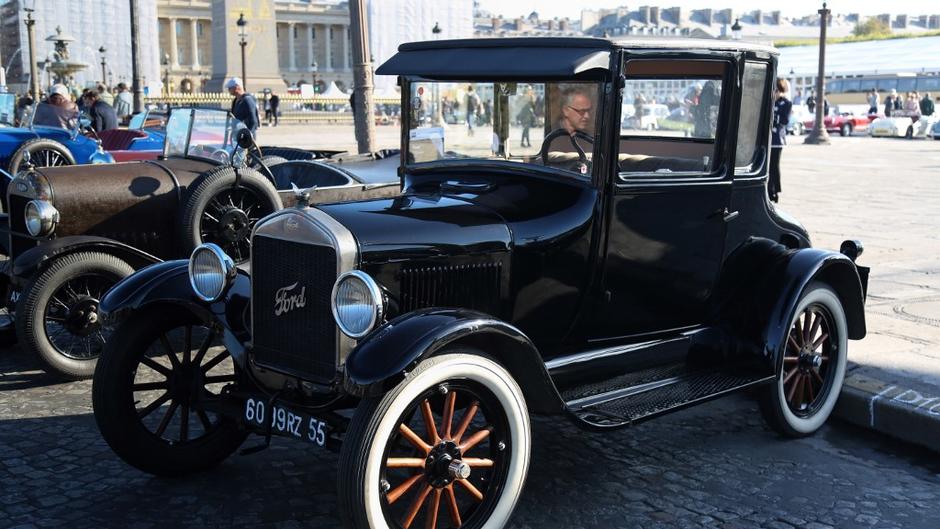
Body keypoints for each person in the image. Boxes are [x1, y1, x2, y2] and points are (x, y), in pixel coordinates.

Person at [769, 78, 792, 204]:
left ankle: (775, 190)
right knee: (766, 167)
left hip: (777, 139)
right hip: (767, 140)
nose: (775, 93)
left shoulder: (787, 103)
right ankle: (768, 189)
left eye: (777, 90)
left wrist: (774, 117)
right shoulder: (770, 102)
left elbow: (784, 121)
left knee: (774, 165)